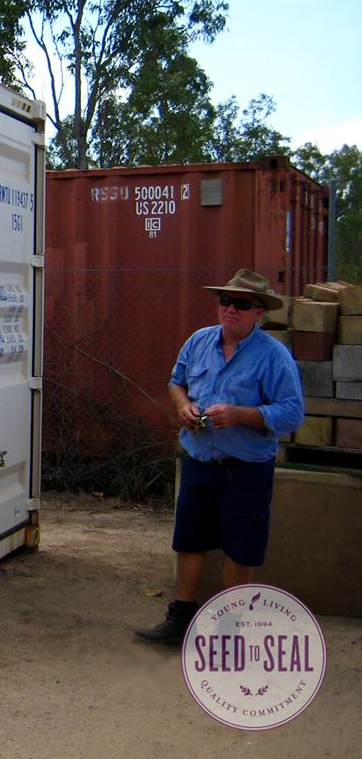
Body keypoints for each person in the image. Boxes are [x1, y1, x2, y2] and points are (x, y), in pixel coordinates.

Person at [134, 269, 304, 645]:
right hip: (199, 461)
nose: (230, 309)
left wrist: (242, 415)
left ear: (259, 312)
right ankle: (180, 622)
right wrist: (182, 407)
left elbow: (292, 413)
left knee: (240, 549)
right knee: (190, 542)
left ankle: (230, 632)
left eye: (242, 304)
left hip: (246, 469)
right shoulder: (198, 342)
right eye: (225, 301)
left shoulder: (275, 357)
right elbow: (176, 382)